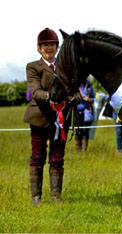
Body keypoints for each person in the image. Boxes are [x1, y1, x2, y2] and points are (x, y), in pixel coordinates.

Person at [24, 28, 81, 206]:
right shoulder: (33, 67)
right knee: (38, 157)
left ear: (57, 47)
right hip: (39, 117)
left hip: (61, 119)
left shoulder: (66, 67)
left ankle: (56, 197)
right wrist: (53, 98)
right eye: (45, 45)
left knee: (57, 157)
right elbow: (35, 91)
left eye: (52, 45)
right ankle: (36, 198)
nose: (49, 48)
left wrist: (72, 99)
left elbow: (76, 93)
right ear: (39, 48)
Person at [75, 79, 95, 151]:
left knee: (85, 131)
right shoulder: (75, 85)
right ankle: (77, 149)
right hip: (77, 111)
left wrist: (89, 99)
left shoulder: (89, 86)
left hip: (87, 112)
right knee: (78, 131)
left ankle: (84, 149)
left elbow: (94, 98)